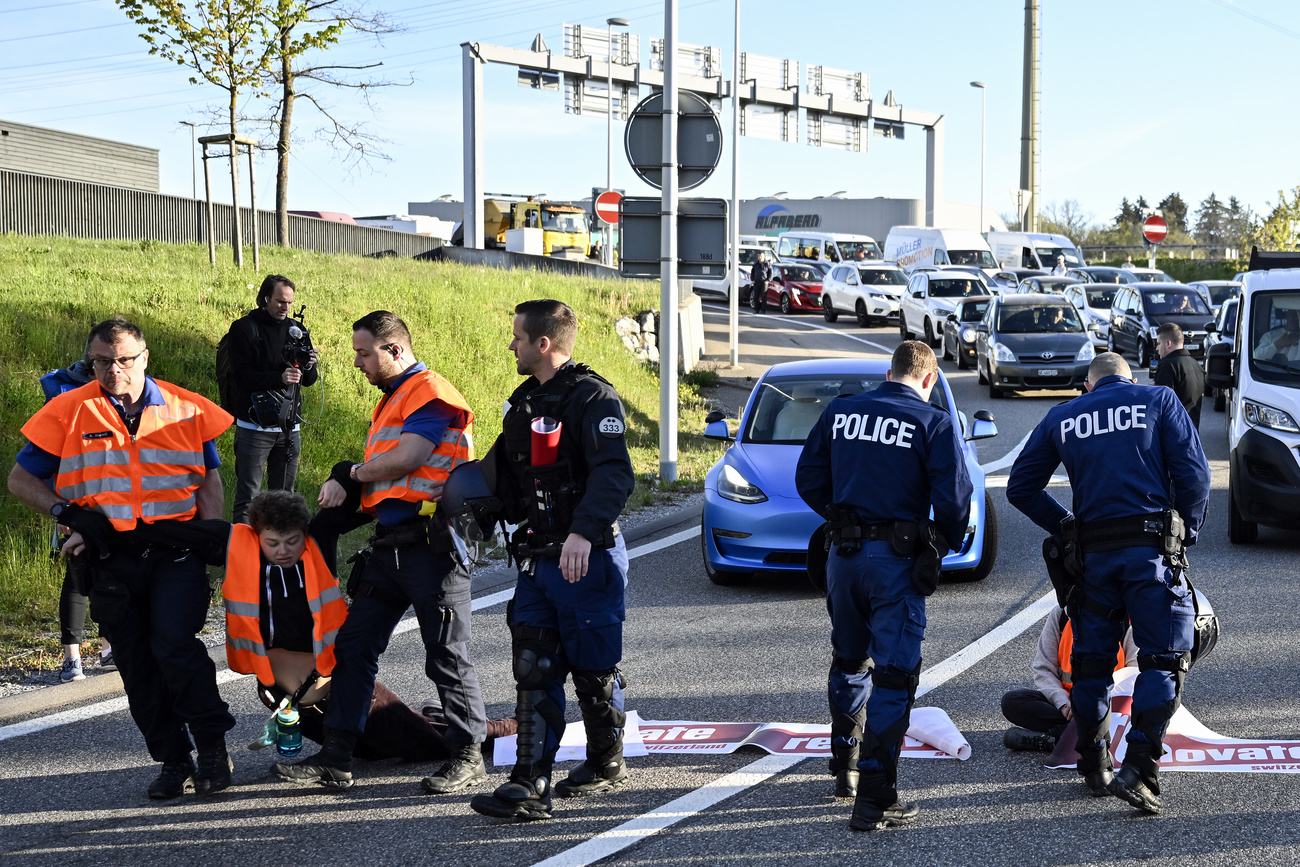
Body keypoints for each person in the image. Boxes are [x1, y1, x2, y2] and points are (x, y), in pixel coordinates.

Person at [8, 319, 235, 800]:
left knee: (176, 646)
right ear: (91, 361)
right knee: (135, 662)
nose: (115, 370)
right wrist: (65, 512)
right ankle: (174, 760)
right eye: (103, 361)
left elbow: (208, 478)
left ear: (144, 358)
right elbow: (20, 479)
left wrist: (210, 531)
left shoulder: (185, 407)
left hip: (175, 552)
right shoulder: (68, 410)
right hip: (111, 559)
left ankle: (213, 750)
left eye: (125, 360)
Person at [272, 310, 488, 794]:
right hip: (389, 549)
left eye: (363, 352)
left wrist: (351, 474)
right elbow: (392, 481)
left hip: (432, 550)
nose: (356, 362)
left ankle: (468, 754)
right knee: (352, 650)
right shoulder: (395, 399)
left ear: (394, 350)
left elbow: (408, 459)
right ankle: (336, 756)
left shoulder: (430, 392)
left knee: (446, 655)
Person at [1007, 352, 1209, 813]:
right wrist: (1186, 532)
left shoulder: (1064, 416)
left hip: (1094, 562)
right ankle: (1139, 768)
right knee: (1162, 661)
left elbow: (1020, 487)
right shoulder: (1158, 399)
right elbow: (1194, 476)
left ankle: (1094, 764)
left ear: (1088, 387)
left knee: (1092, 668)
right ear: (1130, 378)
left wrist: (1066, 527)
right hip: (1150, 556)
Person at [795, 341, 973, 832]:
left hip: (844, 558)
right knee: (895, 675)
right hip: (895, 561)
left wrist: (841, 516)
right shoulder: (934, 422)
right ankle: (876, 797)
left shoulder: (843, 411)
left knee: (849, 659)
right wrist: (947, 541)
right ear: (930, 379)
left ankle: (844, 766)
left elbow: (807, 477)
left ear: (889, 372)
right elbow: (955, 496)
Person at [469, 299, 635, 823]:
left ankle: (606, 761)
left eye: (517, 337)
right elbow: (501, 478)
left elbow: (614, 475)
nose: (510, 345)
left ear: (544, 343)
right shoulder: (522, 404)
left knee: (593, 669)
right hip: (537, 560)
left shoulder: (594, 399)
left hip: (587, 556)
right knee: (534, 668)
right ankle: (529, 783)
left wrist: (583, 534)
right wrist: (463, 515)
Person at [224, 490, 516, 765]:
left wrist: (343, 475)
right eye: (272, 543)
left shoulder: (318, 541)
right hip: (297, 701)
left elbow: (366, 501)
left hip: (343, 691)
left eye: (293, 540)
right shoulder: (241, 554)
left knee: (432, 747)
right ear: (256, 536)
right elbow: (185, 532)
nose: (283, 551)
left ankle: (511, 728)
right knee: (373, 753)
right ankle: (431, 717)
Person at [38, 355, 115, 683]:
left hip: (97, 499)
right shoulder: (74, 398)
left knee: (98, 574)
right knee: (81, 576)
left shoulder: (63, 393)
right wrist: (60, 510)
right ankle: (84, 655)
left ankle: (84, 657)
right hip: (83, 501)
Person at [226, 275, 319, 524]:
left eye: (289, 303)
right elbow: (241, 377)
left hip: (290, 427)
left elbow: (309, 380)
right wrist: (280, 377)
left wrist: (308, 365)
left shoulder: (298, 331)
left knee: (285, 499)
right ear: (266, 298)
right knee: (249, 498)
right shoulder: (244, 328)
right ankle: (243, 557)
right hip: (254, 426)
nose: (285, 308)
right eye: (280, 301)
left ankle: (278, 555)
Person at [1001, 604, 1137, 752]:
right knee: (1012, 701)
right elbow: (1043, 668)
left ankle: (1054, 739)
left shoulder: (1127, 618)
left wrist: (1090, 705)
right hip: (1067, 707)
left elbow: (1133, 677)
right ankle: (1081, 736)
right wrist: (1064, 703)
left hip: (1108, 708)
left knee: (1137, 714)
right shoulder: (1061, 615)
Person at [1154, 323, 1206, 426]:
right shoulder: (1196, 365)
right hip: (1192, 430)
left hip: (1173, 431)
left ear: (1168, 344)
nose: (1157, 348)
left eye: (1159, 344)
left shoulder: (1167, 366)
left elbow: (1160, 404)